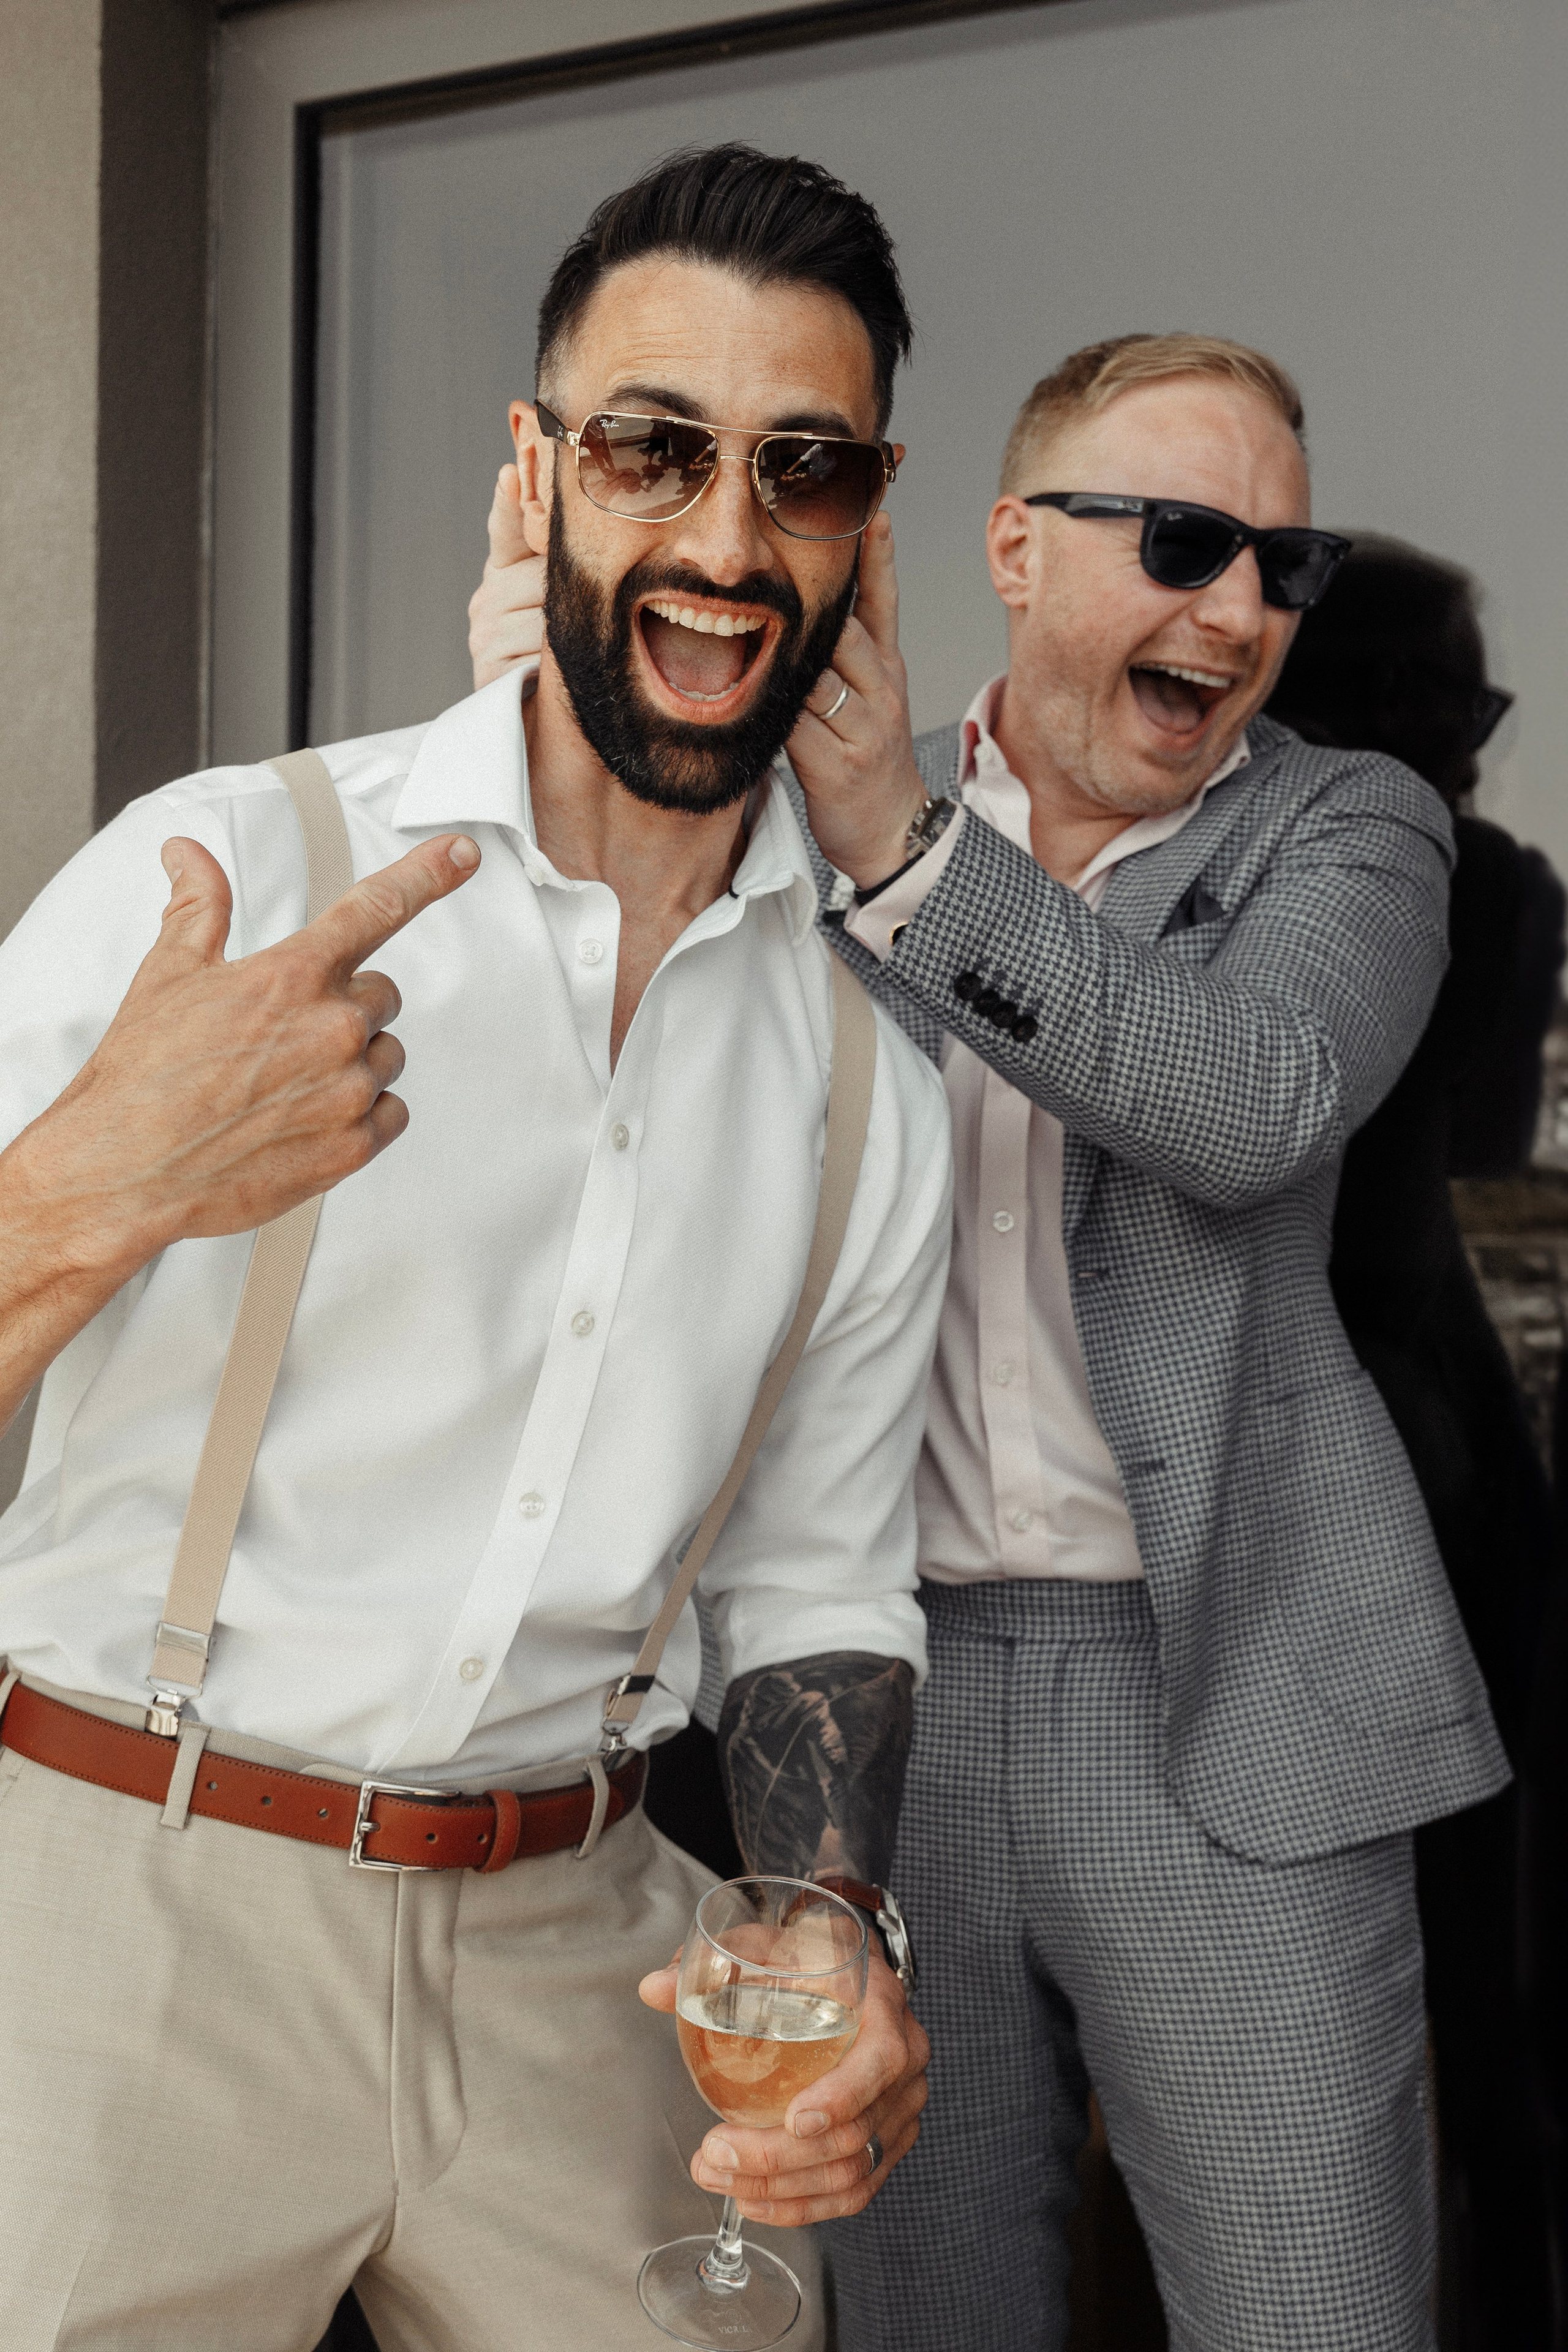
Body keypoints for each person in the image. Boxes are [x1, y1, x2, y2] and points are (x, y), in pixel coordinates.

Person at [469, 326, 1513, 2352]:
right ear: (1014, 551)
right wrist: (540, 700)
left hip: (1228, 1702)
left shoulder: (1349, 828)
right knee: (925, 2316)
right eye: (1188, 541)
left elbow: (1254, 1103)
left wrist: (912, 859)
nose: (1239, 610)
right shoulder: (798, 821)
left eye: (1282, 570)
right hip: (874, 1701)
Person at [0, 147, 949, 2352]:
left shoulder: (856, 1072)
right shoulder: (222, 869)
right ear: (540, 477)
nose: (725, 541)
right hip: (132, 1900)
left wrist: (827, 1916)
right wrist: (99, 1181)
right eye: (655, 448)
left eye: (800, 472)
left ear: (863, 532)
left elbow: (816, 1574)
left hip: (585, 1942)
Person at [1267, 536, 1564, 2348]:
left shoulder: (1225, 873)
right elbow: (1484, 1145)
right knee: (1486, 1951)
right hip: (1439, 1437)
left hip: (1292, 1434)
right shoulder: (1497, 883)